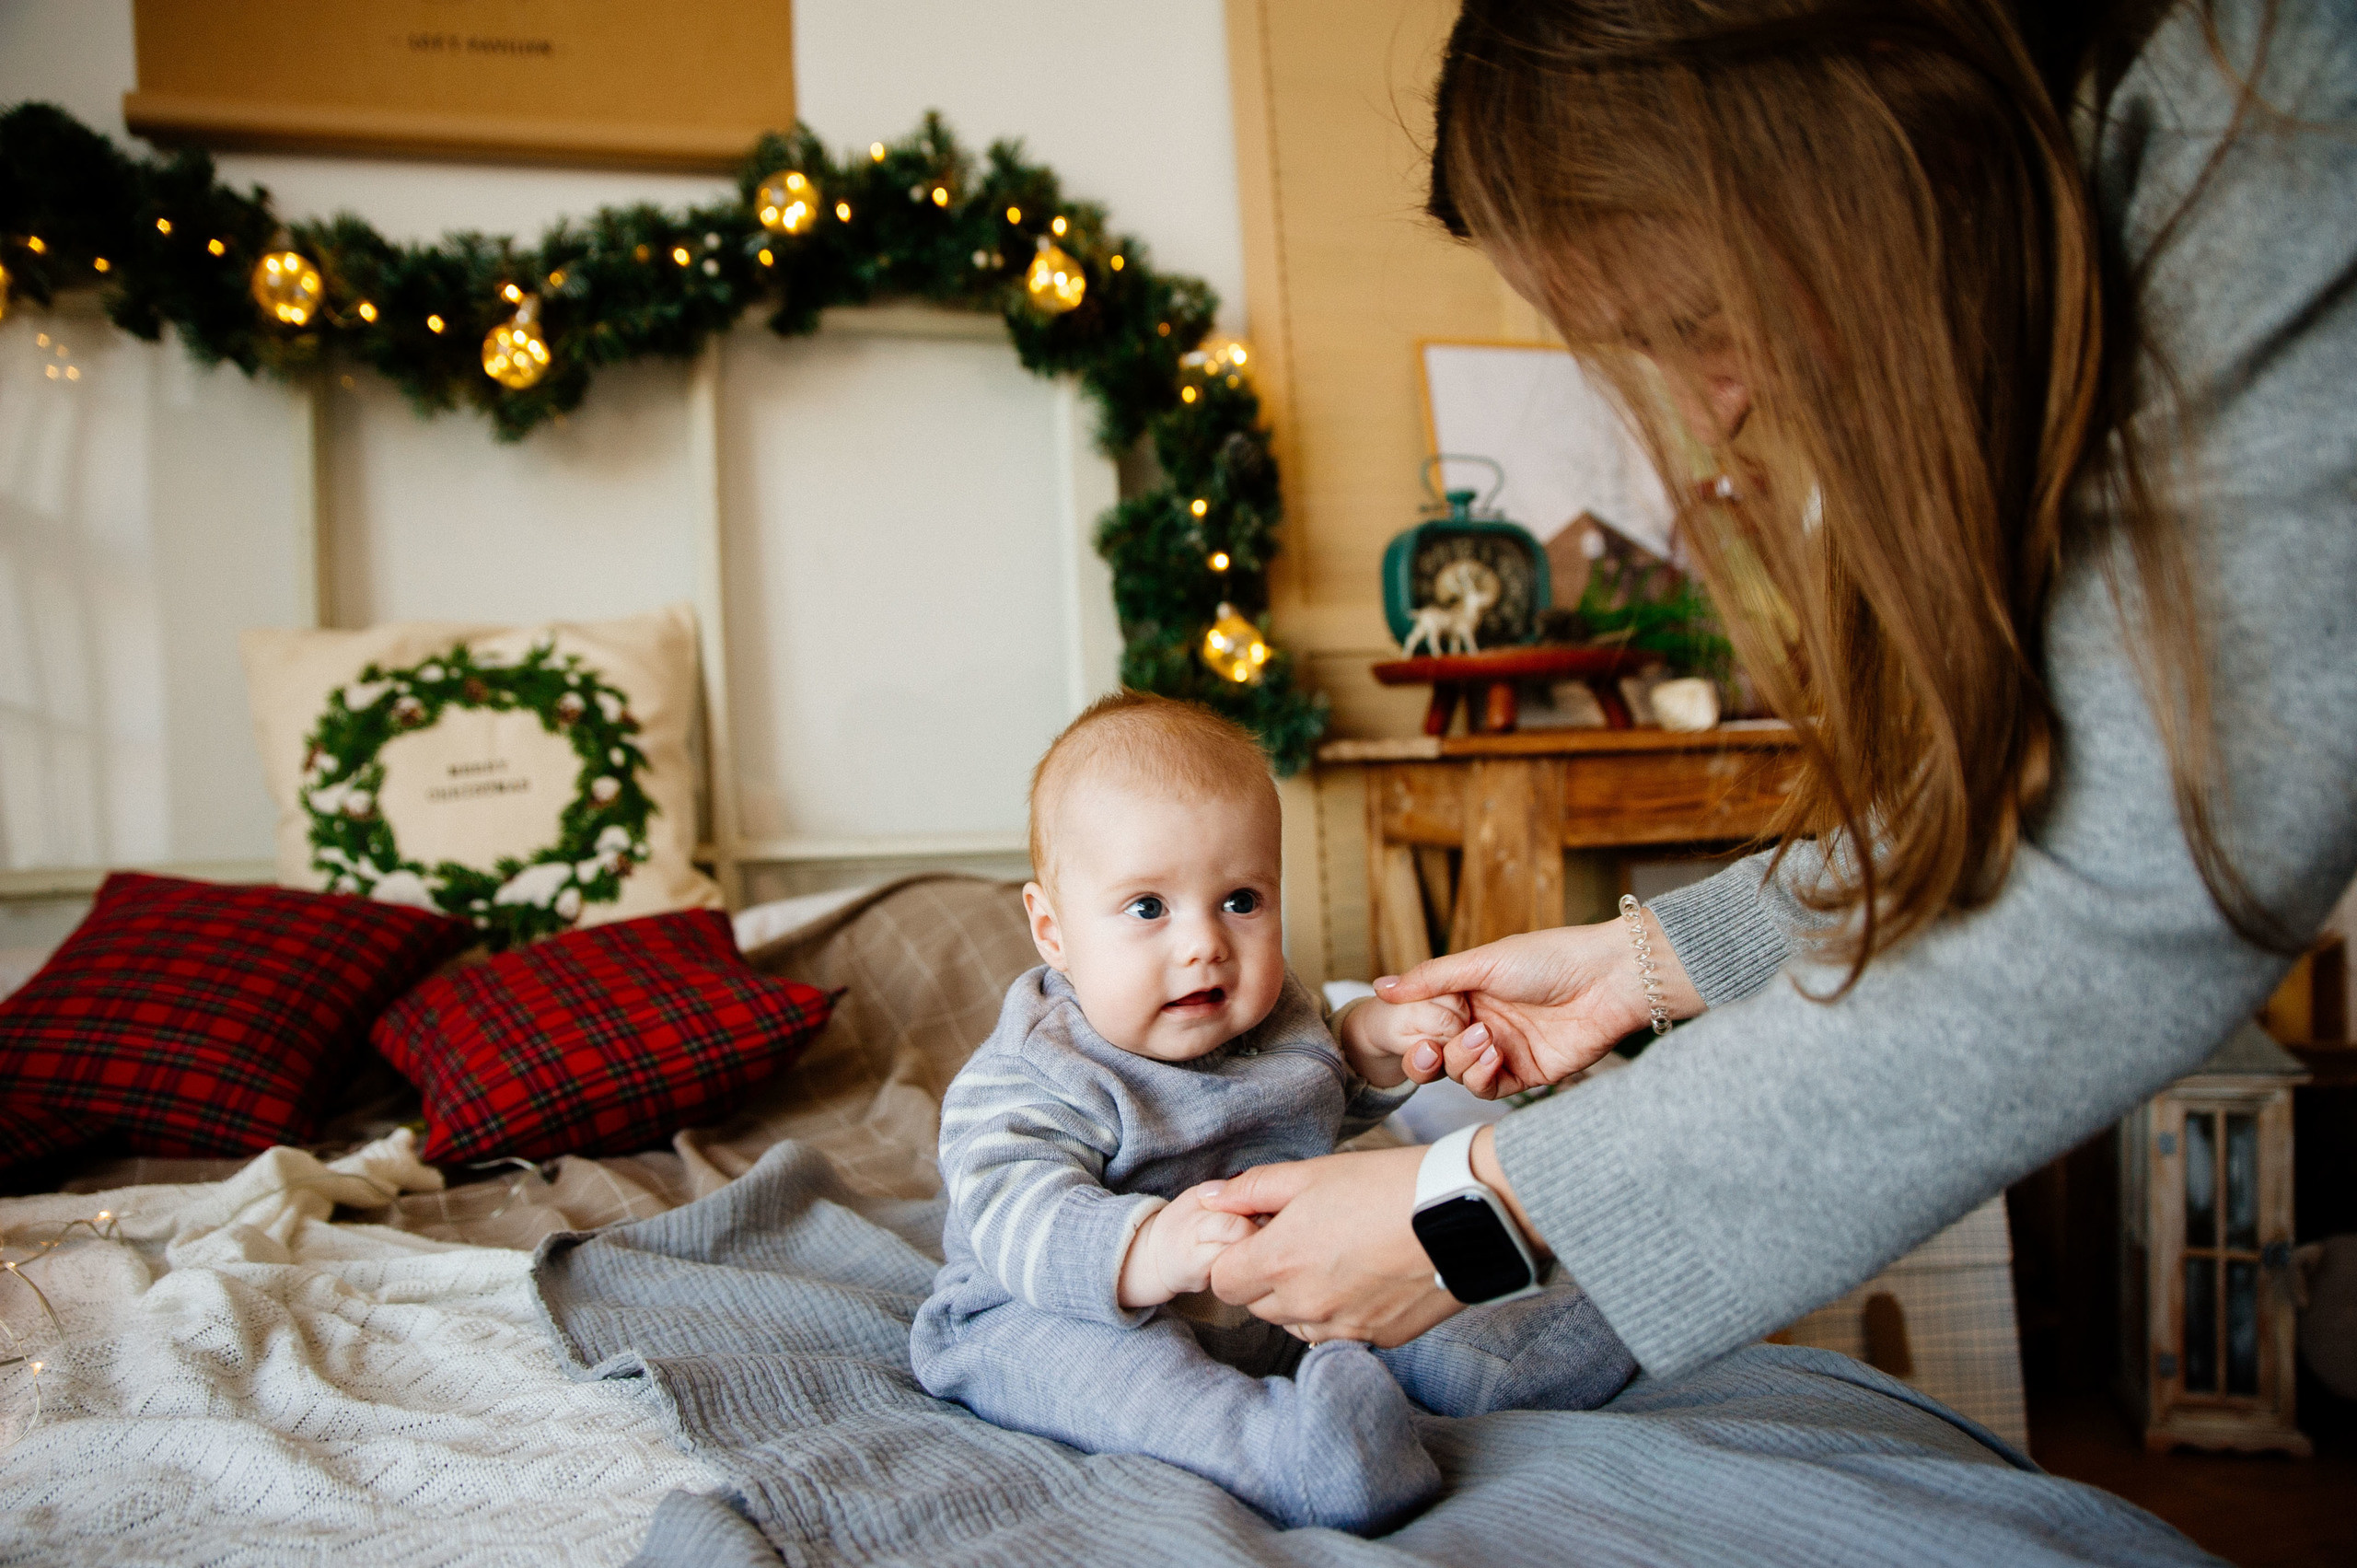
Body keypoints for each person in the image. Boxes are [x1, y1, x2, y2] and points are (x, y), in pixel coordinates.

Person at [1202, 0, 2357, 1383]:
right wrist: (1649, 963)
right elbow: (2021, 818)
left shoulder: (2277, 125)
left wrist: (1480, 1204)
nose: (1724, 403)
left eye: (1702, 318)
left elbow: (2125, 874)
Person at [908, 692, 1635, 1533]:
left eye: (1241, 900)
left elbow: (1309, 1091)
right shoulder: (1037, 1071)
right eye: (1149, 907)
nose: (1204, 942)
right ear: (1053, 929)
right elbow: (1010, 1213)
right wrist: (1148, 1247)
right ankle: (1294, 1457)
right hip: (1053, 1307)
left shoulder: (1266, 1013)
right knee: (1137, 1386)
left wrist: (1376, 1041)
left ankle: (1541, 1343)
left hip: (1270, 1292)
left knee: (1412, 1300)